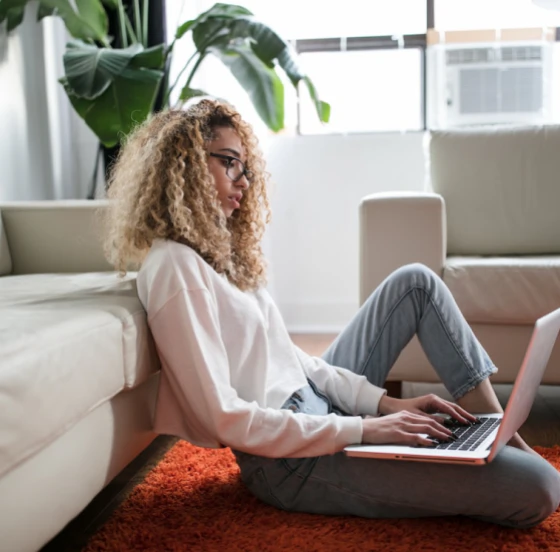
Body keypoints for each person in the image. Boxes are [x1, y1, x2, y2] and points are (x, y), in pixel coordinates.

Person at [102, 99, 560, 528]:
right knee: (539, 488)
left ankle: (502, 433)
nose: (243, 180)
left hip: (322, 412)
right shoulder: (173, 266)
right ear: (182, 168)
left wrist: (385, 406)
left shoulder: (224, 256)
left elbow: (295, 361)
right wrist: (364, 430)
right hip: (290, 463)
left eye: (246, 166)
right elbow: (223, 417)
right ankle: (495, 448)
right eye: (228, 162)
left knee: (415, 282)